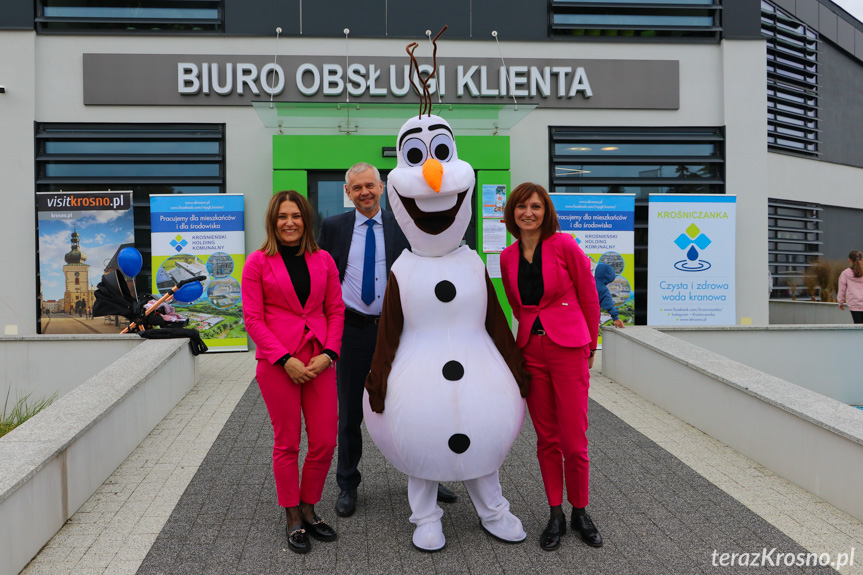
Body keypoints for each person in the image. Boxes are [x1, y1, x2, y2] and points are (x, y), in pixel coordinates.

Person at [317, 162, 457, 518]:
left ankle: (429, 476)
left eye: (370, 185)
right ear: (347, 193)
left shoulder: (403, 226)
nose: (364, 192)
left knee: (416, 408)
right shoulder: (333, 227)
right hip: (351, 331)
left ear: (381, 187)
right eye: (356, 188)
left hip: (398, 332)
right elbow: (321, 277)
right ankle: (347, 484)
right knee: (349, 414)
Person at [500, 182, 602, 552]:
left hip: (569, 347)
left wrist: (592, 343)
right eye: (521, 207)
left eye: (536, 207)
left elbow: (589, 295)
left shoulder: (565, 246)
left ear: (546, 212)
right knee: (547, 439)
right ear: (512, 213)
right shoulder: (508, 256)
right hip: (531, 351)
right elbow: (516, 304)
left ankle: (581, 511)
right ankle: (555, 512)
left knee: (574, 441)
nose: (528, 213)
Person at [241, 190, 345, 554]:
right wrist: (285, 359)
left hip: (320, 360)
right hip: (278, 364)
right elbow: (252, 318)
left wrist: (330, 353)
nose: (289, 222)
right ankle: (292, 515)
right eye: (282, 216)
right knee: (287, 443)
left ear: (306, 220)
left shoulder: (324, 260)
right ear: (273, 221)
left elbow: (335, 310)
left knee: (325, 441)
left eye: (296, 215)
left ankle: (309, 506)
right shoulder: (257, 262)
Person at [594, 262, 625, 329]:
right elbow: (609, 304)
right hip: (592, 317)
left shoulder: (585, 281)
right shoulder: (602, 289)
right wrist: (615, 317)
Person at [838, 250, 863, 324]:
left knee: (858, 326)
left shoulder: (845, 273)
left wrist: (840, 302)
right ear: (862, 260)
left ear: (849, 260)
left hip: (853, 303)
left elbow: (842, 289)